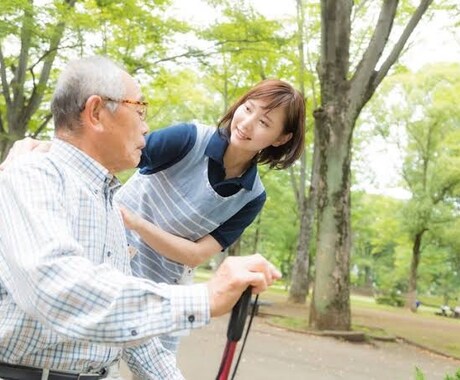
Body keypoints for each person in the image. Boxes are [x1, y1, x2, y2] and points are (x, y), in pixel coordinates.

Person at [0, 55, 281, 380]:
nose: (147, 127)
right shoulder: (32, 176)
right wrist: (205, 298)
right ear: (95, 113)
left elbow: (132, 337)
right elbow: (57, 288)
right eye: (140, 111)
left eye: (266, 122)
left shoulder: (107, 203)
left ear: (280, 138)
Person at [116, 79, 305, 352]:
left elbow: (194, 255)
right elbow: (115, 154)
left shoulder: (251, 197)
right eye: (248, 108)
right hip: (114, 260)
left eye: (264, 122)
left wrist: (135, 222)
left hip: (168, 290)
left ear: (281, 138)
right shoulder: (188, 139)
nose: (247, 123)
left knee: (157, 369)